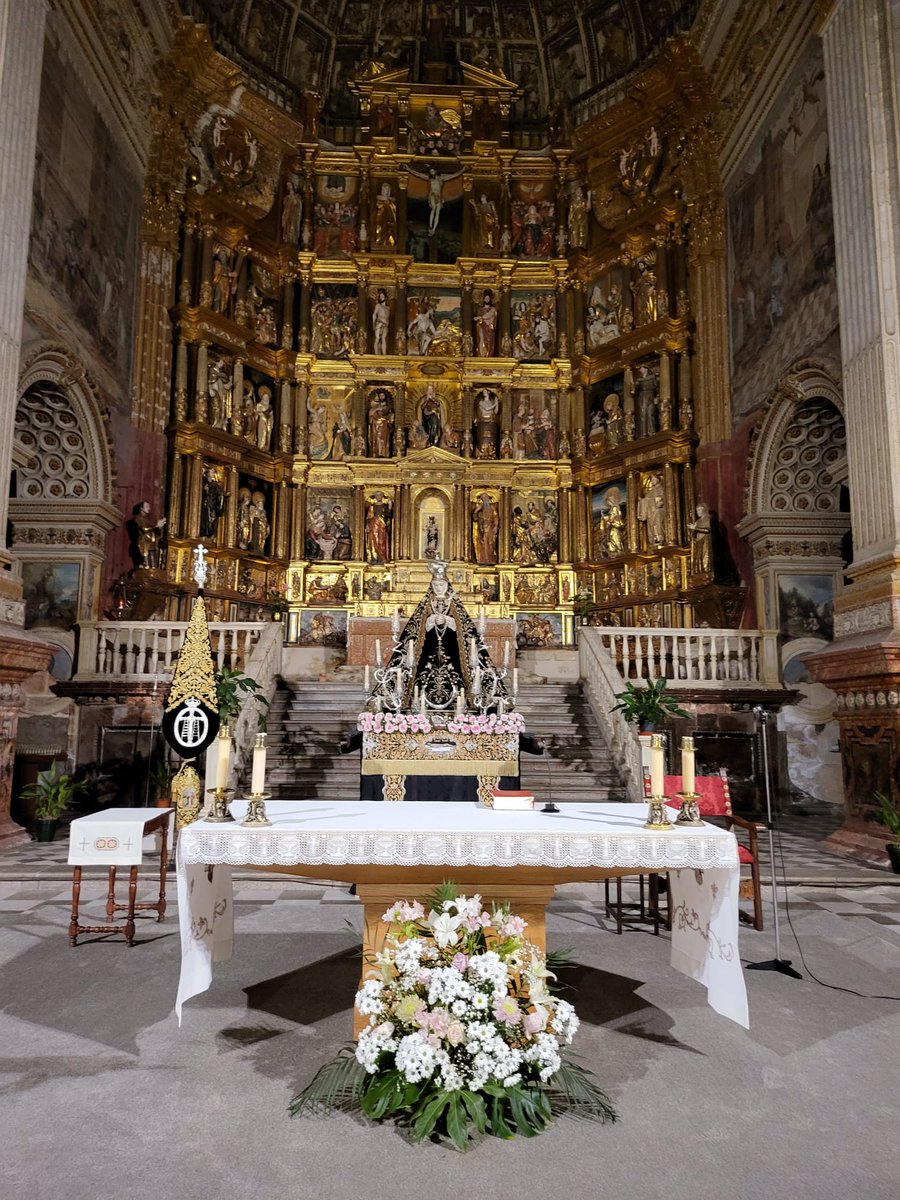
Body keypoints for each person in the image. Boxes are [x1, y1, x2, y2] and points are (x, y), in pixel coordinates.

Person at [127, 501, 166, 571]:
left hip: (151, 543)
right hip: (144, 543)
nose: (149, 508)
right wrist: (156, 526)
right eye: (147, 507)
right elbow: (144, 529)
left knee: (153, 565)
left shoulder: (147, 521)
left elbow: (156, 533)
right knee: (146, 564)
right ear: (141, 509)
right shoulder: (138, 518)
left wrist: (159, 527)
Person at [471, 492, 499, 564]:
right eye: (483, 498)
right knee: (482, 544)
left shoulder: (492, 507)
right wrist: (477, 510)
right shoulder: (480, 510)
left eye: (486, 498)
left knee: (491, 543)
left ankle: (491, 559)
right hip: (482, 528)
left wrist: (496, 526)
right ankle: (482, 560)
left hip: (490, 527)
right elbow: (475, 518)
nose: (485, 500)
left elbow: (495, 517)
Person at [365, 491, 392, 563]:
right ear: (375, 497)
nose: (378, 497)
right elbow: (368, 517)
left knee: (381, 542)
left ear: (382, 496)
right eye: (377, 495)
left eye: (380, 495)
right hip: (373, 526)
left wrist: (390, 506)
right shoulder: (372, 506)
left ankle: (382, 557)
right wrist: (367, 525)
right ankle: (374, 558)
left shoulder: (384, 506)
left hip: (382, 526)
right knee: (373, 541)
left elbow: (389, 515)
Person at [368, 389, 394, 458]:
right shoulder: (375, 406)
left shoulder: (388, 407)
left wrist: (387, 420)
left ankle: (383, 453)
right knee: (376, 438)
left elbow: (391, 416)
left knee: (383, 439)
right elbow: (370, 414)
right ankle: (375, 453)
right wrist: (376, 410)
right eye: (380, 395)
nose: (381, 397)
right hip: (375, 425)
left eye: (383, 395)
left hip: (384, 425)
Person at [200, 469, 225, 538]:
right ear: (207, 473)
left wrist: (223, 495)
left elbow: (220, 492)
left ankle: (210, 532)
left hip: (212, 503)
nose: (213, 473)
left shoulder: (215, 484)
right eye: (211, 472)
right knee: (205, 516)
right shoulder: (203, 481)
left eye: (214, 472)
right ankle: (204, 532)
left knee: (212, 517)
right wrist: (204, 489)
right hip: (205, 502)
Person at [474, 388, 498, 458]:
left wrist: (497, 404)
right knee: (483, 439)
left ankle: (491, 453)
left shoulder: (490, 402)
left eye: (485, 391)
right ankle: (482, 453)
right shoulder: (481, 402)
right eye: (483, 391)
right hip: (483, 420)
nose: (484, 392)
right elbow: (487, 409)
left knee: (491, 439)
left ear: (488, 393)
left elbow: (495, 412)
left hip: (491, 421)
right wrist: (495, 404)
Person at [373, 182, 397, 250]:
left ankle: (390, 244)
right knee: (380, 229)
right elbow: (378, 207)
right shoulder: (379, 199)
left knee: (390, 231)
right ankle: (379, 242)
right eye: (385, 189)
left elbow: (394, 208)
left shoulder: (391, 200)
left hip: (390, 219)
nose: (386, 191)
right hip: (380, 219)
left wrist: (389, 201)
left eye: (388, 190)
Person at [474, 289, 497, 357]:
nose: (487, 300)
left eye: (488, 298)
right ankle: (481, 354)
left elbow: (488, 315)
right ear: (483, 299)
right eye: (486, 298)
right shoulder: (480, 309)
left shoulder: (492, 309)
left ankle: (488, 354)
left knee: (489, 341)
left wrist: (479, 317)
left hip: (489, 327)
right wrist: (479, 319)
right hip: (481, 326)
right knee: (481, 338)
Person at [281, 177, 302, 244]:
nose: (289, 186)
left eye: (290, 185)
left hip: (294, 214)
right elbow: (285, 205)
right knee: (287, 226)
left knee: (293, 226)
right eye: (288, 185)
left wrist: (294, 199)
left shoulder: (297, 196)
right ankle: (286, 238)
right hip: (287, 213)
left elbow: (298, 204)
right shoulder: (286, 197)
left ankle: (292, 239)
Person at [372, 288, 391, 356]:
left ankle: (384, 354)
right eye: (380, 297)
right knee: (377, 338)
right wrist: (373, 325)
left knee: (384, 339)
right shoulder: (378, 305)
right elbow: (374, 314)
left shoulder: (388, 308)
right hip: (379, 323)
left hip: (385, 324)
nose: (381, 298)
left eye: (382, 296)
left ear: (385, 297)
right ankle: (376, 354)